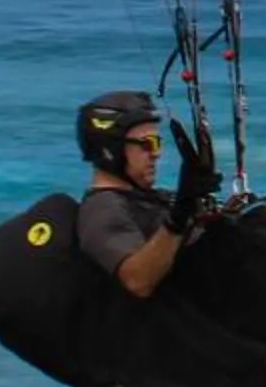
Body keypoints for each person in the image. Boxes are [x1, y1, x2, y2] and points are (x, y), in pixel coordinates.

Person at [73, 90, 218, 300]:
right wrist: (179, 217)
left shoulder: (149, 197)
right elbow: (137, 280)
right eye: (147, 144)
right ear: (111, 150)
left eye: (157, 143)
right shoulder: (102, 211)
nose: (156, 153)